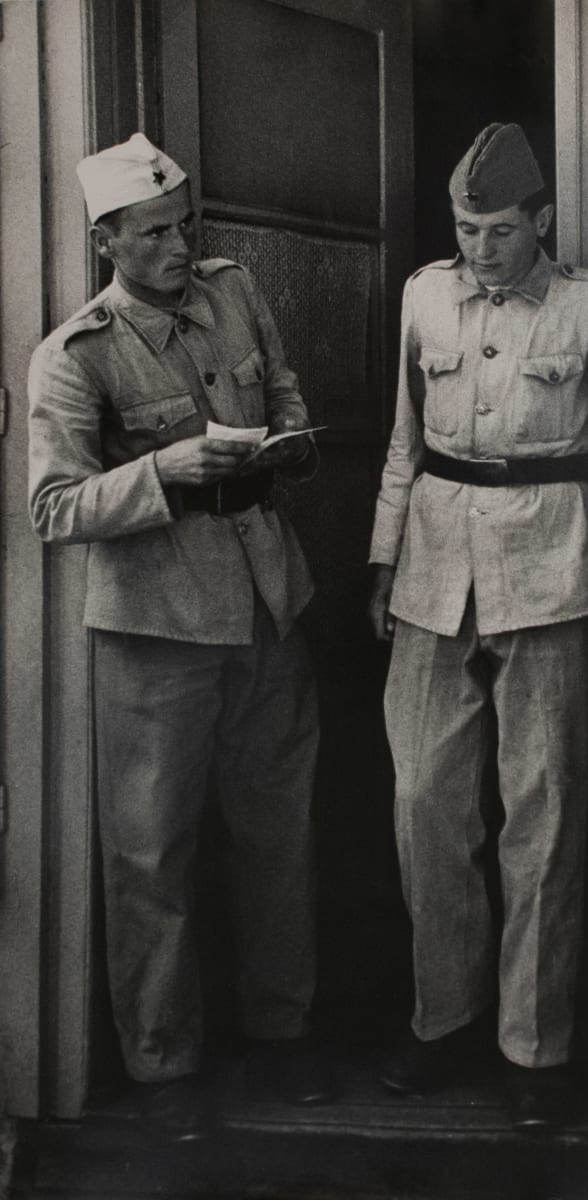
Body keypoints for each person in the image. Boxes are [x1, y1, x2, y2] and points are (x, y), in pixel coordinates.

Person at [28, 134, 328, 1131]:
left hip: (265, 603)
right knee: (152, 853)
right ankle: (164, 1066)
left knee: (277, 836)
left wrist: (287, 441)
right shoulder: (74, 355)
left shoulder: (232, 291)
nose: (177, 243)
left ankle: (281, 1038)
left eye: (184, 223)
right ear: (105, 240)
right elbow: (55, 508)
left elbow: (279, 386)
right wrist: (168, 472)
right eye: (154, 232)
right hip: (156, 632)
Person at [367, 122, 588, 1129]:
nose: (477, 249)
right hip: (435, 574)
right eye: (463, 227)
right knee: (424, 806)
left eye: (496, 230)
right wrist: (383, 557)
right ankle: (441, 1020)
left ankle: (536, 1047)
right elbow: (406, 440)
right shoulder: (422, 295)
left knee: (544, 813)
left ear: (540, 220)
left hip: (550, 576)